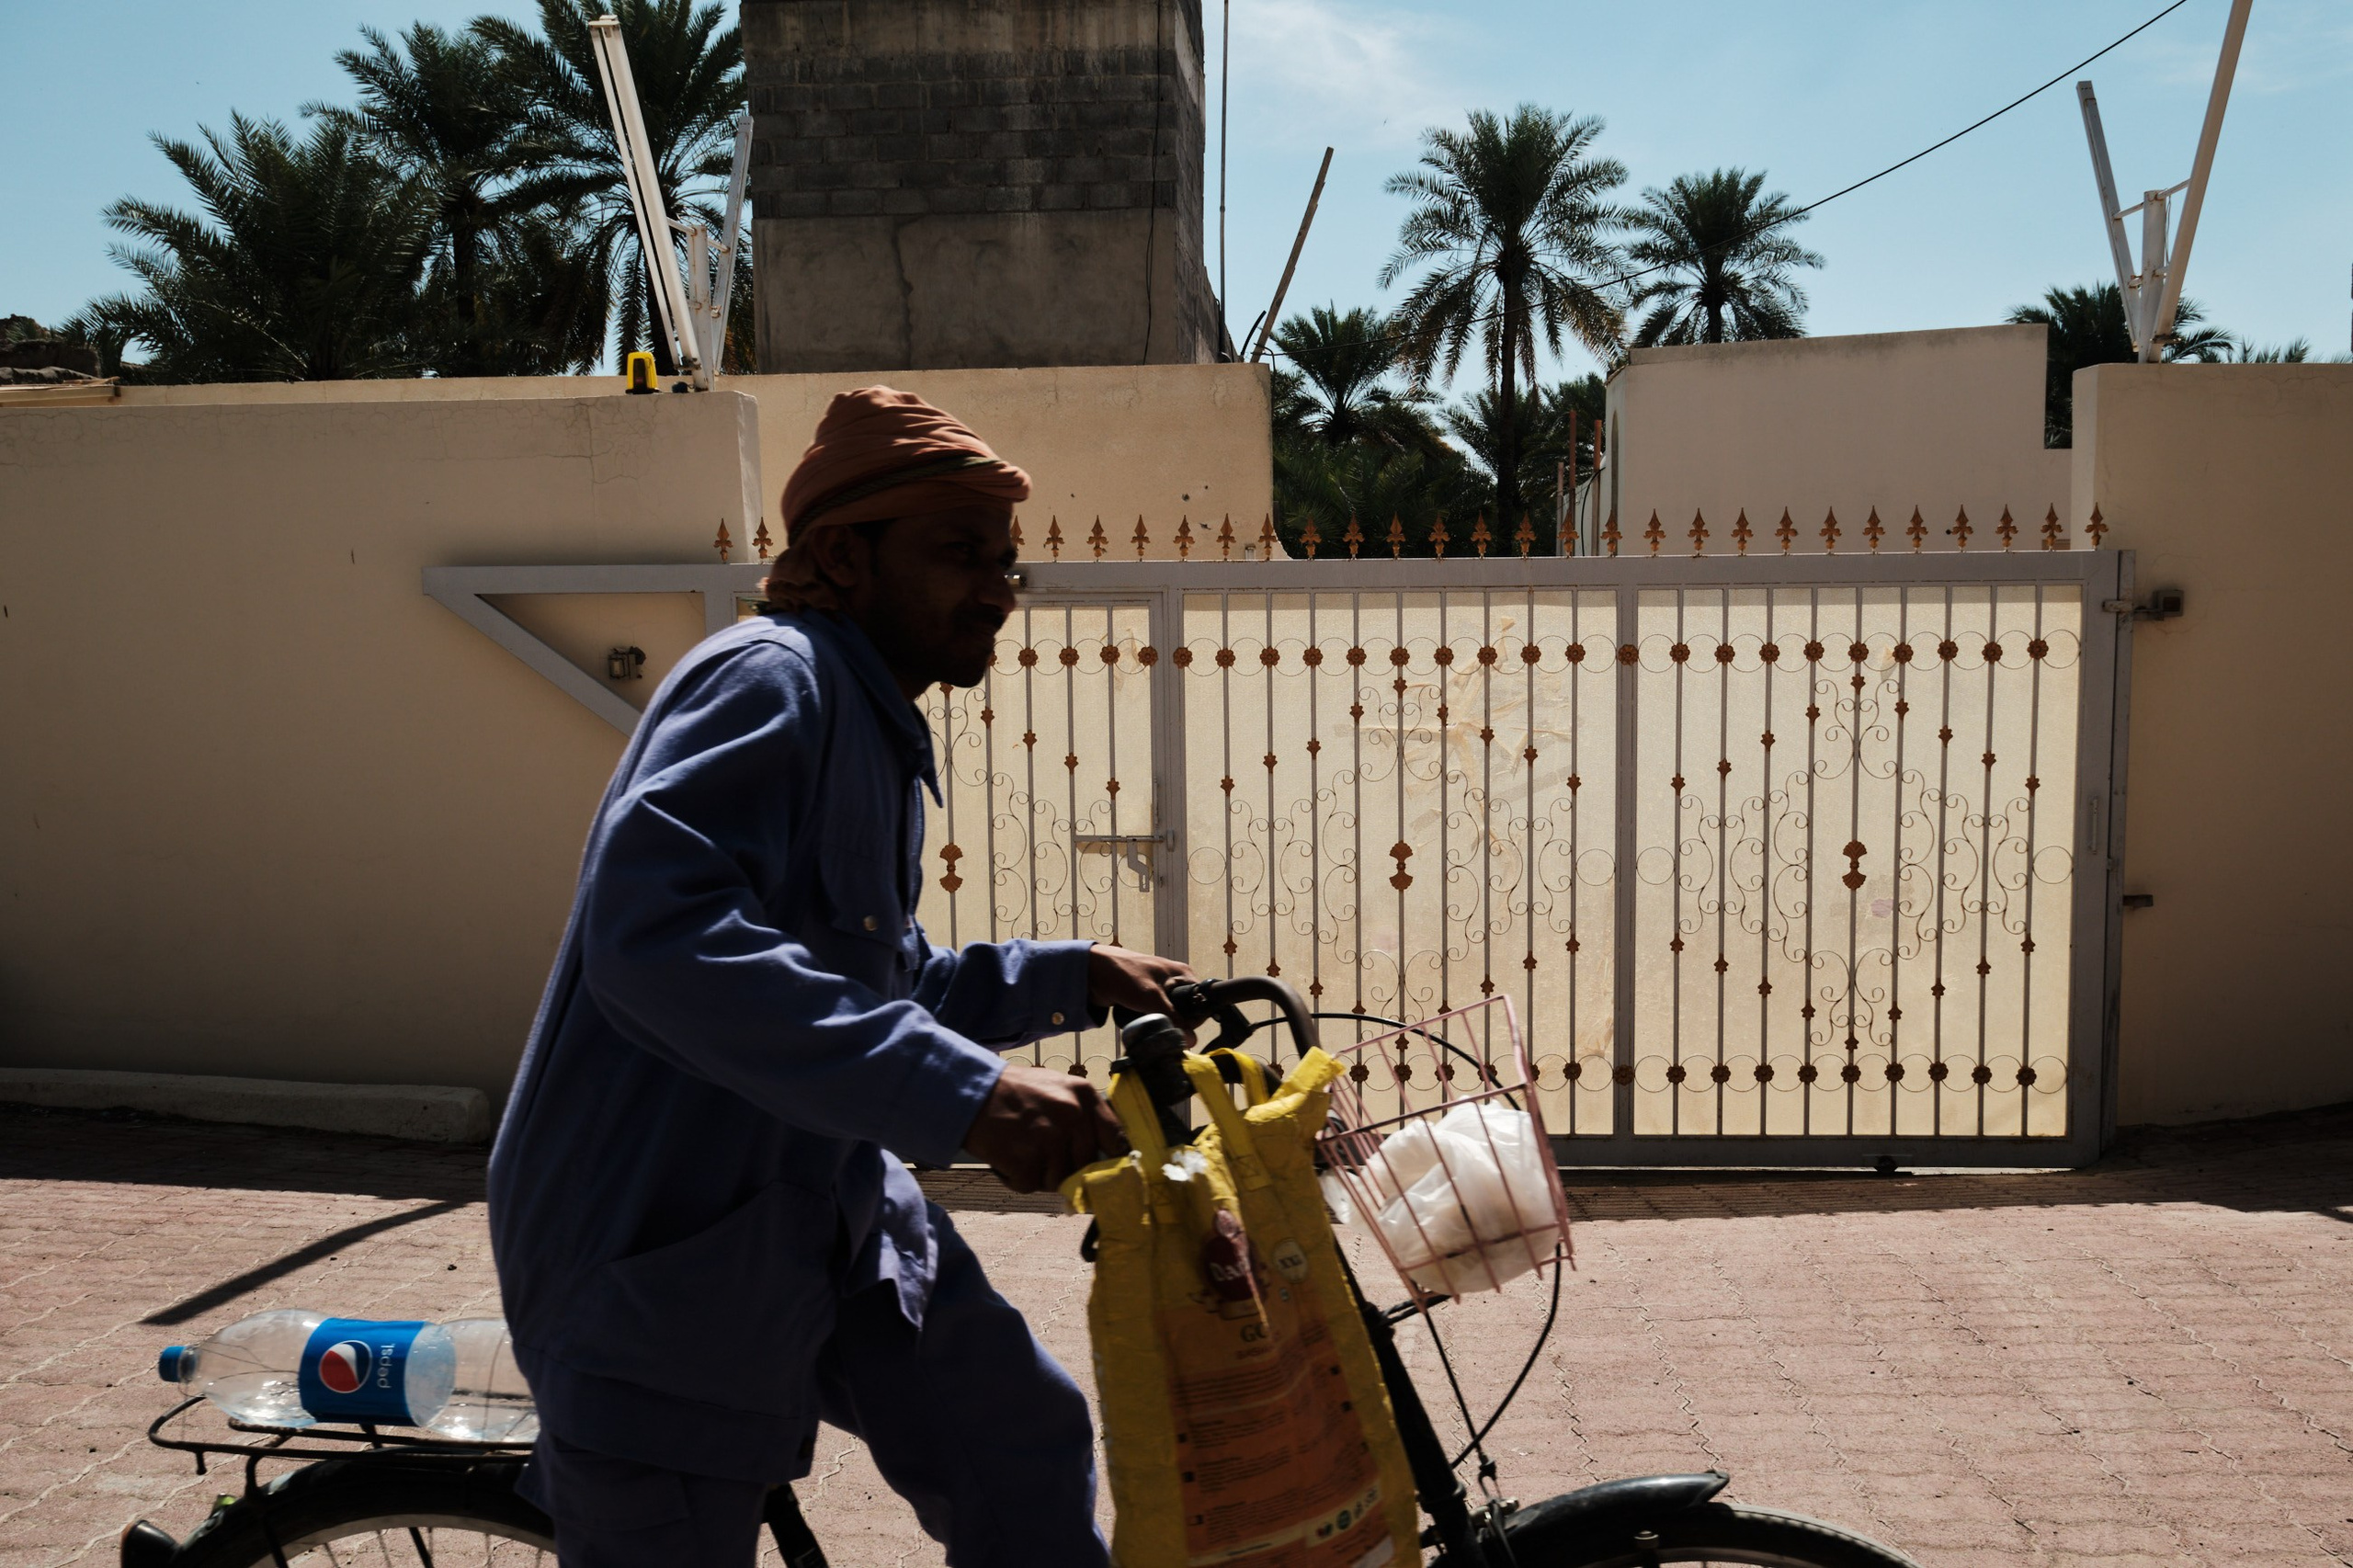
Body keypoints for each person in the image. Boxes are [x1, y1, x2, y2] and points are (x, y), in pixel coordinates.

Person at [487, 386, 1192, 1568]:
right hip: (659, 1252)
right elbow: (652, 936)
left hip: (823, 1210)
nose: (995, 589)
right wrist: (967, 1098)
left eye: (1006, 561)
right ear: (839, 556)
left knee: (1019, 1437)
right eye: (959, 553)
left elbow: (882, 978)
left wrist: (1078, 975)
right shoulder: (773, 680)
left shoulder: (870, 720)